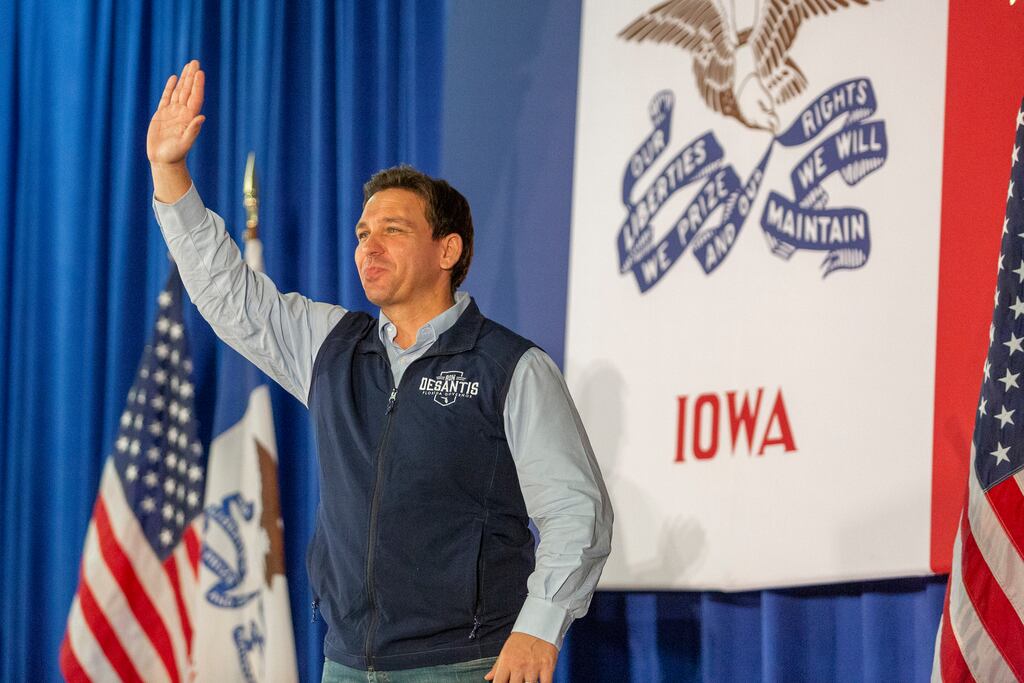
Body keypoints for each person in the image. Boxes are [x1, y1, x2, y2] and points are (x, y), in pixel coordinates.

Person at [147, 60, 612, 683]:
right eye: (363, 232)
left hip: (466, 664)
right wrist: (171, 174)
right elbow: (230, 296)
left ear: (448, 250)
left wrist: (539, 627)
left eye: (393, 230)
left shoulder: (511, 367)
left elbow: (575, 509)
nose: (369, 244)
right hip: (345, 663)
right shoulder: (331, 346)